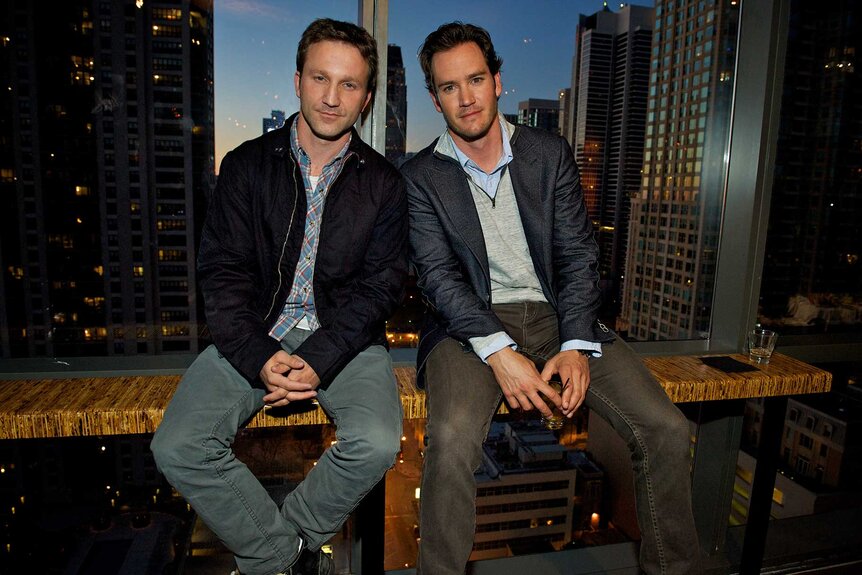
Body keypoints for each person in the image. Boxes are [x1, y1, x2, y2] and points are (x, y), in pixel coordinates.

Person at [400, 22, 700, 575]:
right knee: (448, 440)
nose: (465, 98)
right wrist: (499, 352)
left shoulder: (546, 151)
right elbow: (438, 278)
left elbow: (577, 254)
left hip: (559, 316)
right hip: (470, 326)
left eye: (475, 79)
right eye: (448, 87)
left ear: (497, 81)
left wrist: (578, 342)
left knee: (667, 430)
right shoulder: (420, 176)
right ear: (435, 97)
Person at [151, 18, 407, 575]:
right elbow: (221, 274)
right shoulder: (245, 165)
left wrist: (317, 361)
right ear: (297, 80)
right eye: (321, 78)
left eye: (349, 85)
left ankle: (283, 541)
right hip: (254, 329)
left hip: (344, 335)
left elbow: (381, 285)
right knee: (178, 446)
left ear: (366, 98)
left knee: (380, 439)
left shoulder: (385, 182)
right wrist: (260, 355)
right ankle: (283, 556)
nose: (332, 98)